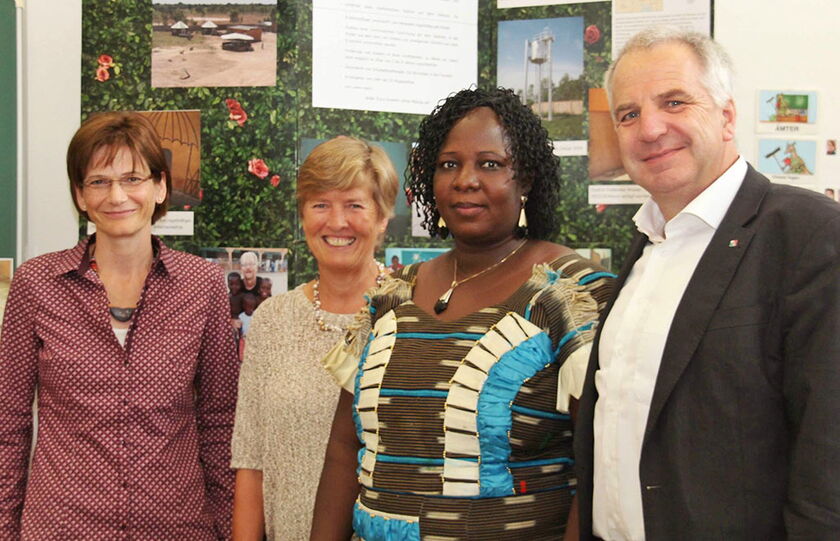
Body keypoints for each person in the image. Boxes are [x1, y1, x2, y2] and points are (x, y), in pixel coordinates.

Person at [310, 88, 614, 540]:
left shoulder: (572, 294)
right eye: (448, 164)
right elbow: (343, 449)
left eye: (489, 164)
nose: (465, 180)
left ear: (525, 178)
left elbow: (600, 467)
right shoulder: (392, 294)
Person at [574, 27, 840, 540]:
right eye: (628, 114)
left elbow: (830, 455)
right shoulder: (648, 244)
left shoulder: (810, 236)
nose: (650, 129)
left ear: (727, 116)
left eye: (674, 102)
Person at [0, 111, 239, 539]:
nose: (116, 196)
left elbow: (220, 421)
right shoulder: (36, 284)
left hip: (175, 526)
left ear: (160, 186)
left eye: (132, 178)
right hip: (62, 526)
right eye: (98, 181)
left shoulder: (202, 285)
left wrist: (228, 527)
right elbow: (9, 421)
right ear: (79, 194)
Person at [230, 136, 398, 540]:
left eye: (355, 205)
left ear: (382, 217)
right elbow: (251, 462)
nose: (337, 222)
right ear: (303, 216)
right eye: (321, 204)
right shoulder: (272, 319)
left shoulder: (413, 312)